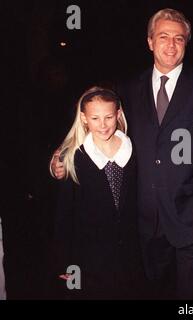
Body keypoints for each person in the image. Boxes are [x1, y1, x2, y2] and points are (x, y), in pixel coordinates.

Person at [52, 9, 193, 299]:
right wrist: (61, 153)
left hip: (192, 217)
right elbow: (97, 117)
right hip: (143, 223)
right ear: (149, 42)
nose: (171, 45)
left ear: (186, 43)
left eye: (179, 38)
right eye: (163, 37)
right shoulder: (128, 88)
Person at [52, 86, 144, 299]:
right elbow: (64, 216)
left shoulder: (133, 148)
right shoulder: (74, 158)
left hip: (130, 256)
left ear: (118, 115)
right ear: (84, 119)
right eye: (95, 118)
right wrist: (65, 263)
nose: (103, 125)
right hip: (88, 257)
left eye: (109, 117)